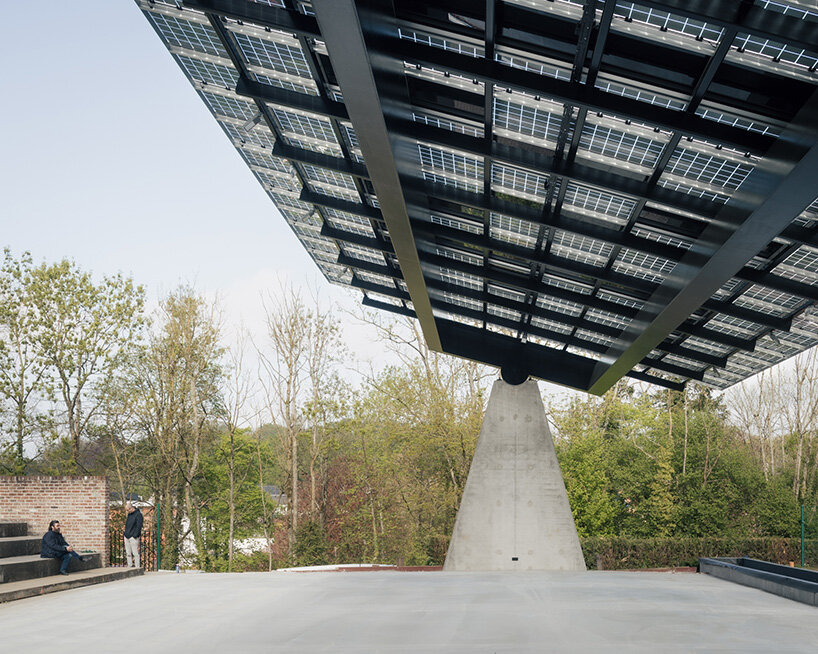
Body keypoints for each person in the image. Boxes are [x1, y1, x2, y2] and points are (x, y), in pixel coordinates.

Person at [124, 502, 143, 568]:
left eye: (128, 510)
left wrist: (135, 535)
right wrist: (125, 533)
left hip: (133, 537)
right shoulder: (129, 515)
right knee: (128, 552)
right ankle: (129, 565)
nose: (127, 511)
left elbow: (139, 526)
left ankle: (137, 566)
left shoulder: (138, 514)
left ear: (131, 508)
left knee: (135, 553)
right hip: (127, 535)